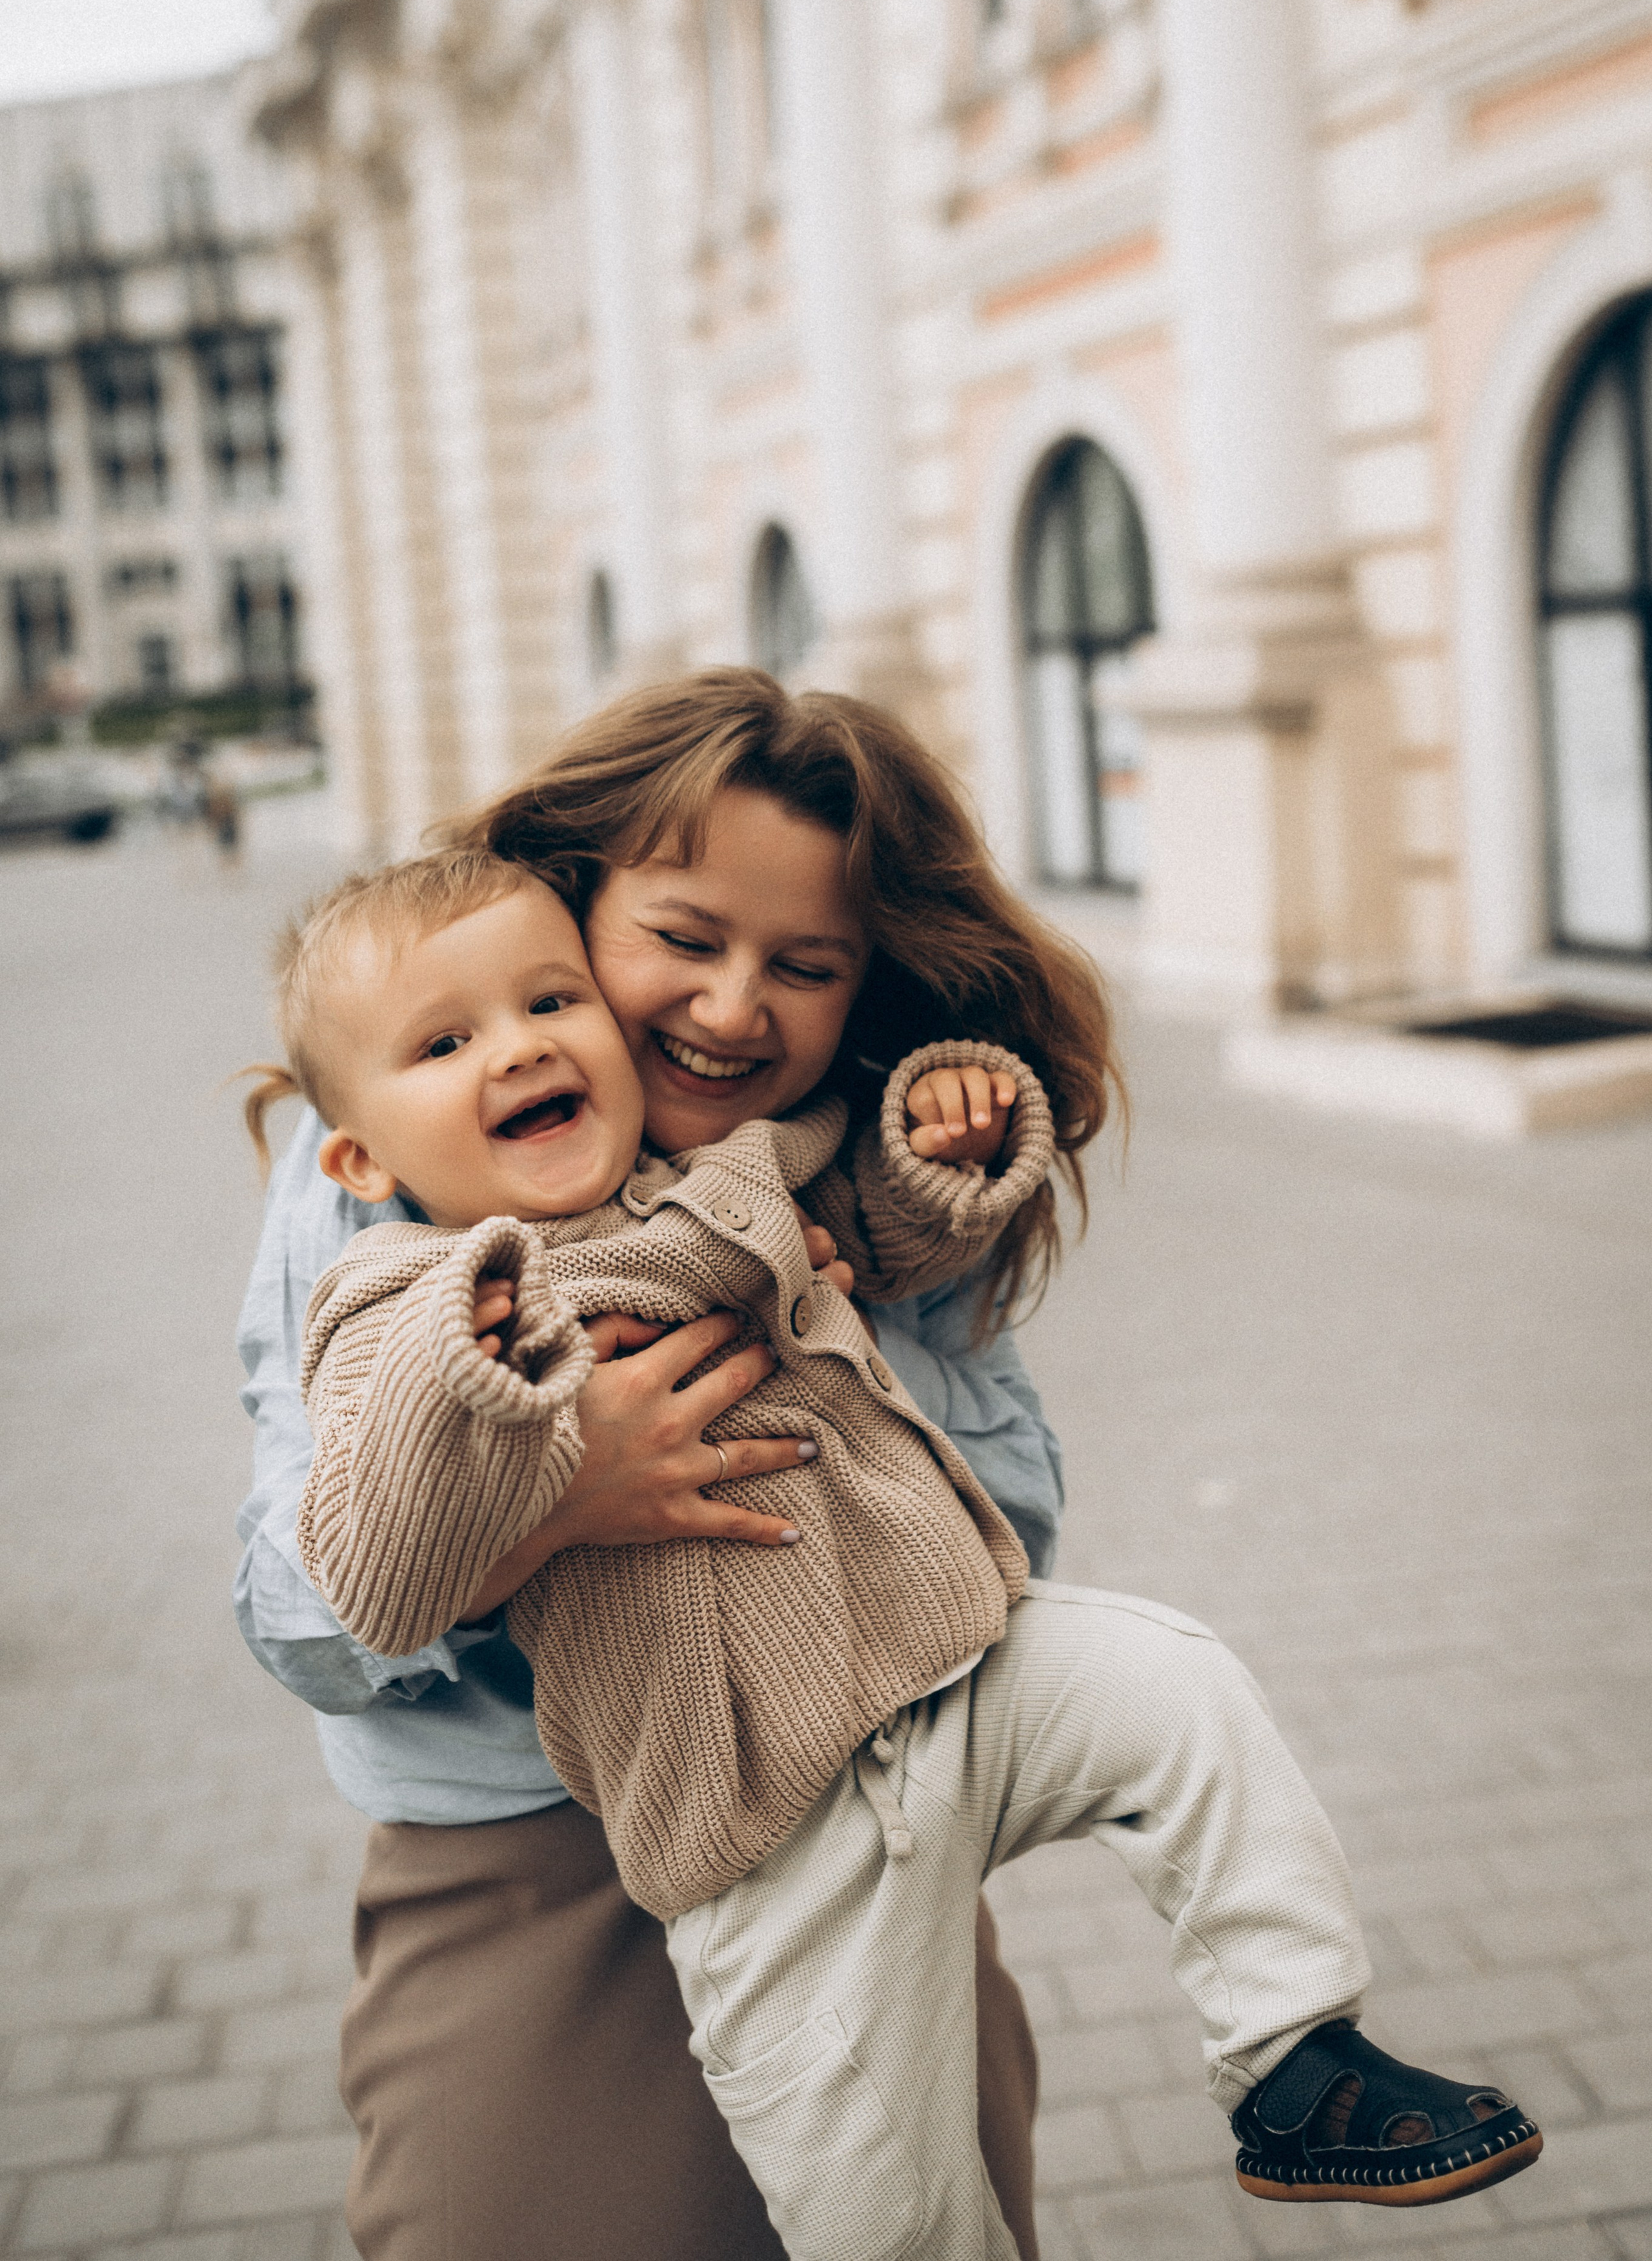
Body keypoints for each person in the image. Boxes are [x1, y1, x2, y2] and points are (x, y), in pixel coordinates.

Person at [234, 673, 1539, 2260]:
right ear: (580, 902)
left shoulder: (755, 1146)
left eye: (806, 966)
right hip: (549, 1837)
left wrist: (935, 1164)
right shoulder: (396, 1202)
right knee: (862, 2213)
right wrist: (546, 1491)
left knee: (1177, 1688)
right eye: (684, 940)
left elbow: (1001, 1471)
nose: (732, 1011)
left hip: (886, 1727)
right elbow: (317, 1600)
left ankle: (1296, 2063)